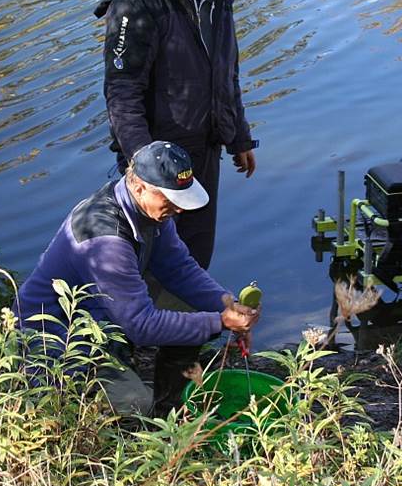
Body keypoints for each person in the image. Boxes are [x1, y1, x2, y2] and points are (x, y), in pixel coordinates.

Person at [94, 0, 260, 409]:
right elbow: (122, 93)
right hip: (154, 167)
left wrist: (240, 135)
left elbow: (225, 72)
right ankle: (109, 376)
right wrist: (144, 165)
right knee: (139, 272)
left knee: (193, 267)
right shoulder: (136, 5)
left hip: (203, 154)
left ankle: (172, 389)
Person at [15, 140, 260, 416]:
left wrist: (226, 304)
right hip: (57, 338)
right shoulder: (107, 240)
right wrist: (219, 322)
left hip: (102, 318)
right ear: (141, 186)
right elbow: (140, 325)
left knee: (196, 309)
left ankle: (170, 406)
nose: (179, 209)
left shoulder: (149, 210)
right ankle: (119, 409)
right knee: (135, 403)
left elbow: (179, 267)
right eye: (171, 199)